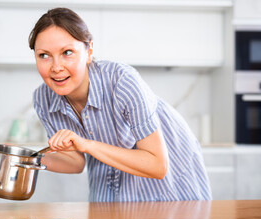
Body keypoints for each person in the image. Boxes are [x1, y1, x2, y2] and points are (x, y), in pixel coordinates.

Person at [29, 7, 212, 202]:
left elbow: (157, 165)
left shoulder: (122, 81)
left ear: (89, 51)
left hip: (170, 180)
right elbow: (76, 162)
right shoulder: (44, 99)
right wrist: (25, 159)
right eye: (44, 55)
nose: (56, 67)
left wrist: (87, 145)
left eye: (67, 52)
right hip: (111, 187)